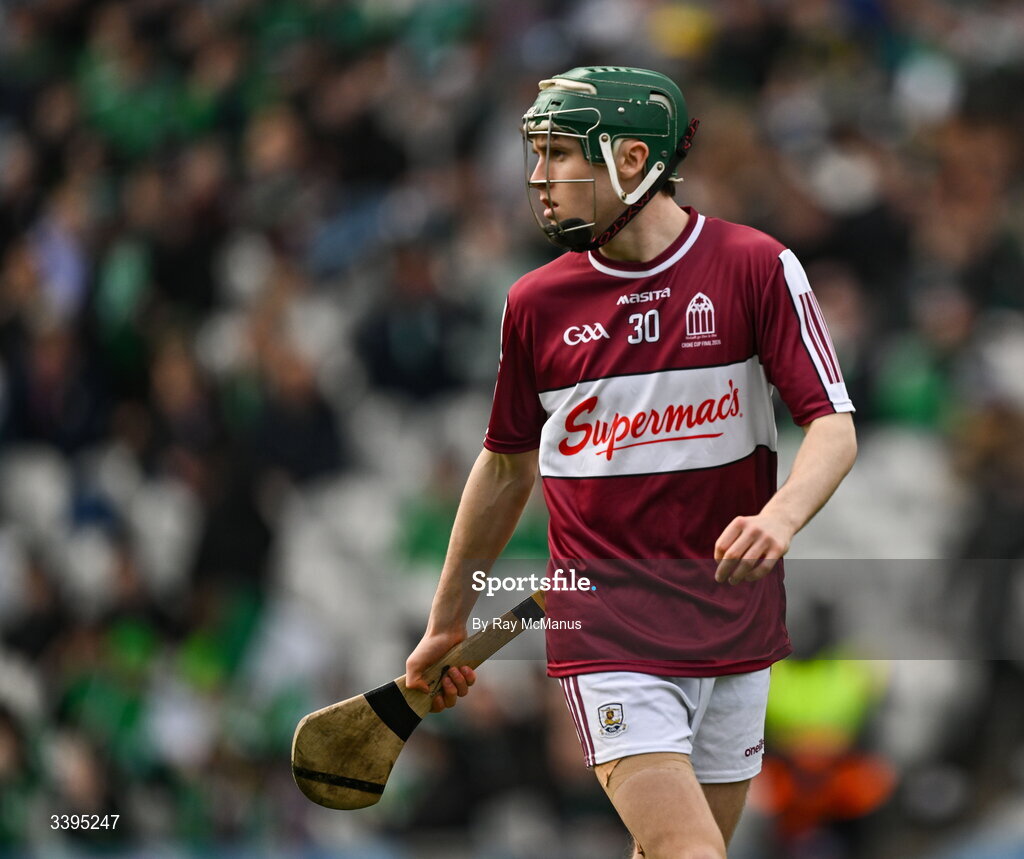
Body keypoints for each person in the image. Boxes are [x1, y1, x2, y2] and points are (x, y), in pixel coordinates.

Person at [405, 66, 857, 859]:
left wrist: (779, 516)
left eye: (559, 155)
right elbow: (506, 468)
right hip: (609, 632)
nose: (538, 179)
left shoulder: (754, 266)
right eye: (534, 155)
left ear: (631, 159)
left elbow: (832, 426)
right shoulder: (535, 305)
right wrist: (449, 619)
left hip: (735, 625)